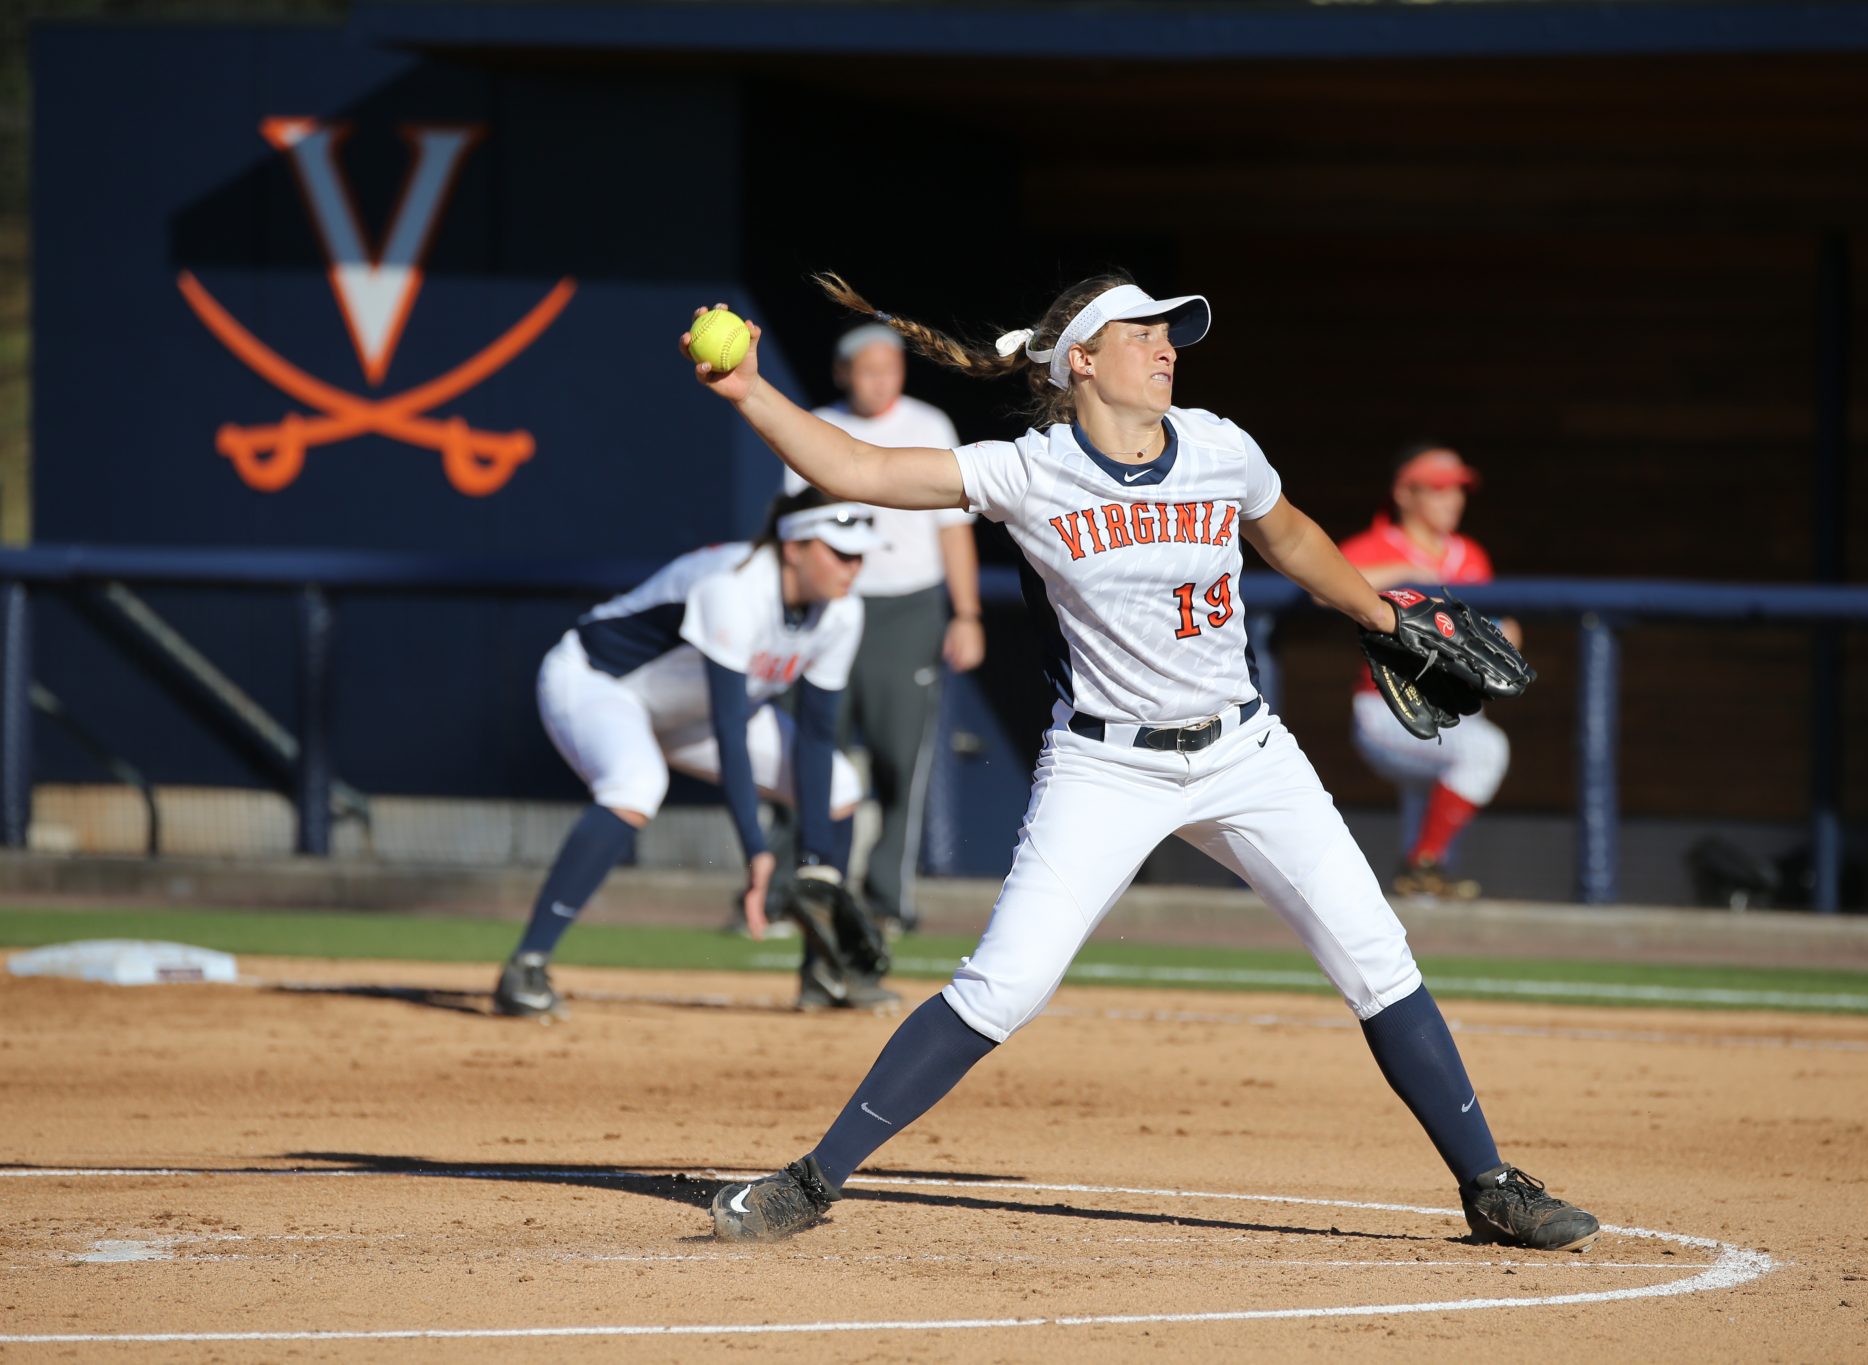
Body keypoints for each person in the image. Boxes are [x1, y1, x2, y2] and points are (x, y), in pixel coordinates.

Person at [680, 274, 1600, 1252]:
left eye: (1172, 335)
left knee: (1376, 958)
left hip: (1245, 751)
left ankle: (1490, 1185)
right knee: (1003, 987)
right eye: (1143, 333)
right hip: (1104, 765)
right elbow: (858, 467)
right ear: (1080, 360)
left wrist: (1377, 614)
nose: (1167, 349)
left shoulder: (1219, 446)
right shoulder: (1028, 471)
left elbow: (1285, 530)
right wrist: (749, 391)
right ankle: (812, 1181)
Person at [493, 487, 900, 1018]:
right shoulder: (733, 586)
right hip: (600, 686)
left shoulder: (842, 613)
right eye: (840, 552)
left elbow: (818, 736)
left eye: (860, 555)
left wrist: (815, 865)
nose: (853, 567)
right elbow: (731, 729)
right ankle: (526, 965)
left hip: (693, 716)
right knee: (636, 784)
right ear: (793, 547)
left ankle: (825, 972)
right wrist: (756, 850)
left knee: (841, 787)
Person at [778, 323, 985, 935]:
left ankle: (886, 900)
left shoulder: (929, 424)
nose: (880, 382)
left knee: (900, 759)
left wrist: (967, 615)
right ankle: (794, 891)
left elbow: (954, 530)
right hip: (832, 610)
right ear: (843, 373)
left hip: (907, 611)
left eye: (891, 369)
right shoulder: (816, 424)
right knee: (811, 750)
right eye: (868, 370)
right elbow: (795, 532)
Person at [1338, 445, 1520, 900]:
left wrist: (1504, 639)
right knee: (1485, 751)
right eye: (1439, 489)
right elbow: (1321, 589)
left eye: (1457, 490)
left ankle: (1420, 879)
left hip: (1452, 705)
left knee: (1434, 812)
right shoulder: (1376, 546)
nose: (1452, 500)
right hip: (1389, 707)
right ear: (1405, 493)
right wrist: (1404, 573)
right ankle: (1424, 862)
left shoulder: (1470, 554)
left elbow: (1499, 628)